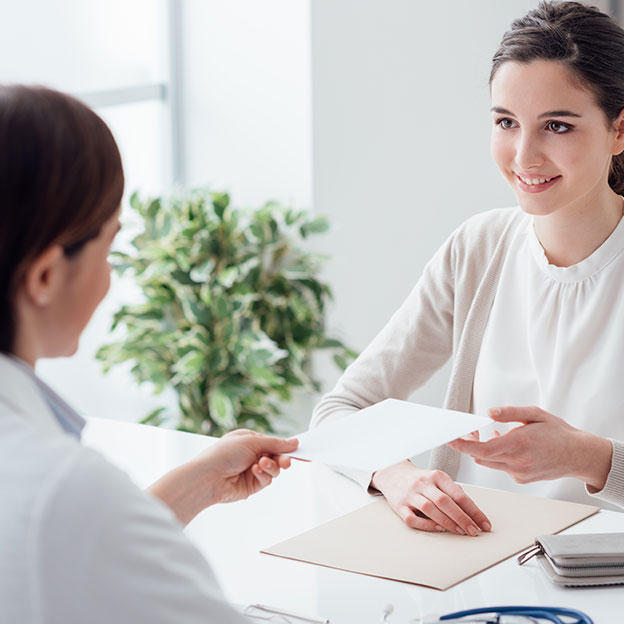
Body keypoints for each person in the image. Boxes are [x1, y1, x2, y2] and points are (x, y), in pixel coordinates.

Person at [312, 0, 624, 537]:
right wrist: (396, 476)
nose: (524, 156)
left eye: (557, 125)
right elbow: (341, 410)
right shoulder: (478, 248)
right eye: (506, 122)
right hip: (473, 565)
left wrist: (591, 458)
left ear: (619, 131)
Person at [0, 84, 298, 623]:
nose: (111, 278)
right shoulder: (61, 488)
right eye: (110, 247)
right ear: (45, 275)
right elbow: (75, 530)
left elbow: (79, 553)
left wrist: (202, 480)